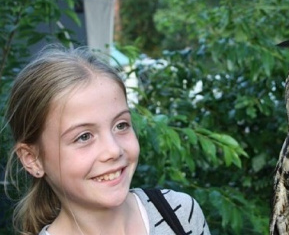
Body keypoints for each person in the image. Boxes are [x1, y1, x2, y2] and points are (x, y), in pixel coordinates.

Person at [4, 48, 211, 235]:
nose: (113, 150)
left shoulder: (180, 215)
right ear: (32, 159)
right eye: (83, 136)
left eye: (121, 125)